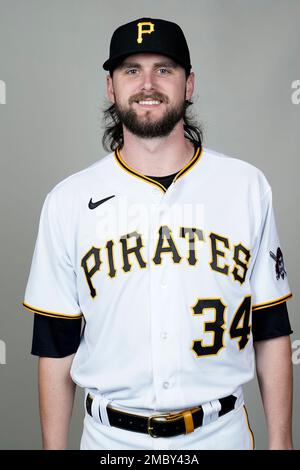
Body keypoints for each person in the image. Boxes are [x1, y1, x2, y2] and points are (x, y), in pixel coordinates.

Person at [23, 17, 294, 450]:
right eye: (131, 70)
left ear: (189, 84)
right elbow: (55, 345)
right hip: (110, 441)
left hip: (219, 435)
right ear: (111, 88)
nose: (147, 83)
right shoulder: (68, 201)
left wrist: (282, 443)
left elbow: (271, 327)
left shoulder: (246, 186)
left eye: (164, 69)